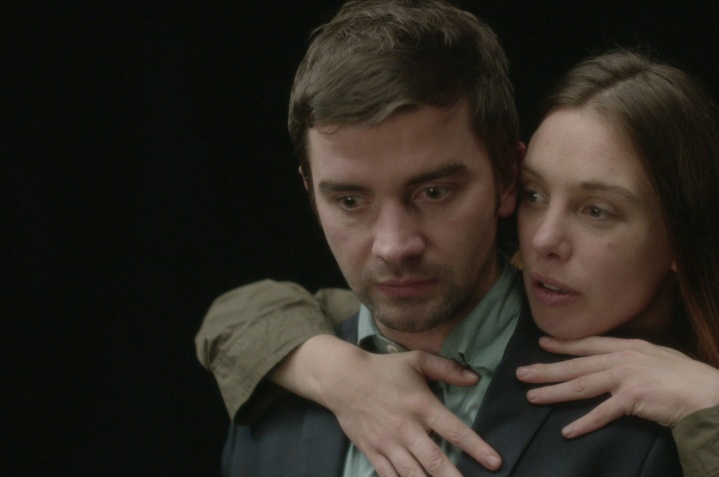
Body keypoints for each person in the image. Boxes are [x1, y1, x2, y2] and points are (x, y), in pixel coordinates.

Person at [198, 47, 719, 476]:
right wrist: (336, 371)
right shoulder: (447, 314)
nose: (543, 240)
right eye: (536, 196)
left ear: (684, 237)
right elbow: (246, 314)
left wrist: (716, 404)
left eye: (598, 210)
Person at [202, 1, 686, 476]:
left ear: (507, 178)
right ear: (310, 193)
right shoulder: (270, 409)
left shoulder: (639, 422)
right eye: (349, 201)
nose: (394, 246)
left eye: (434, 192)